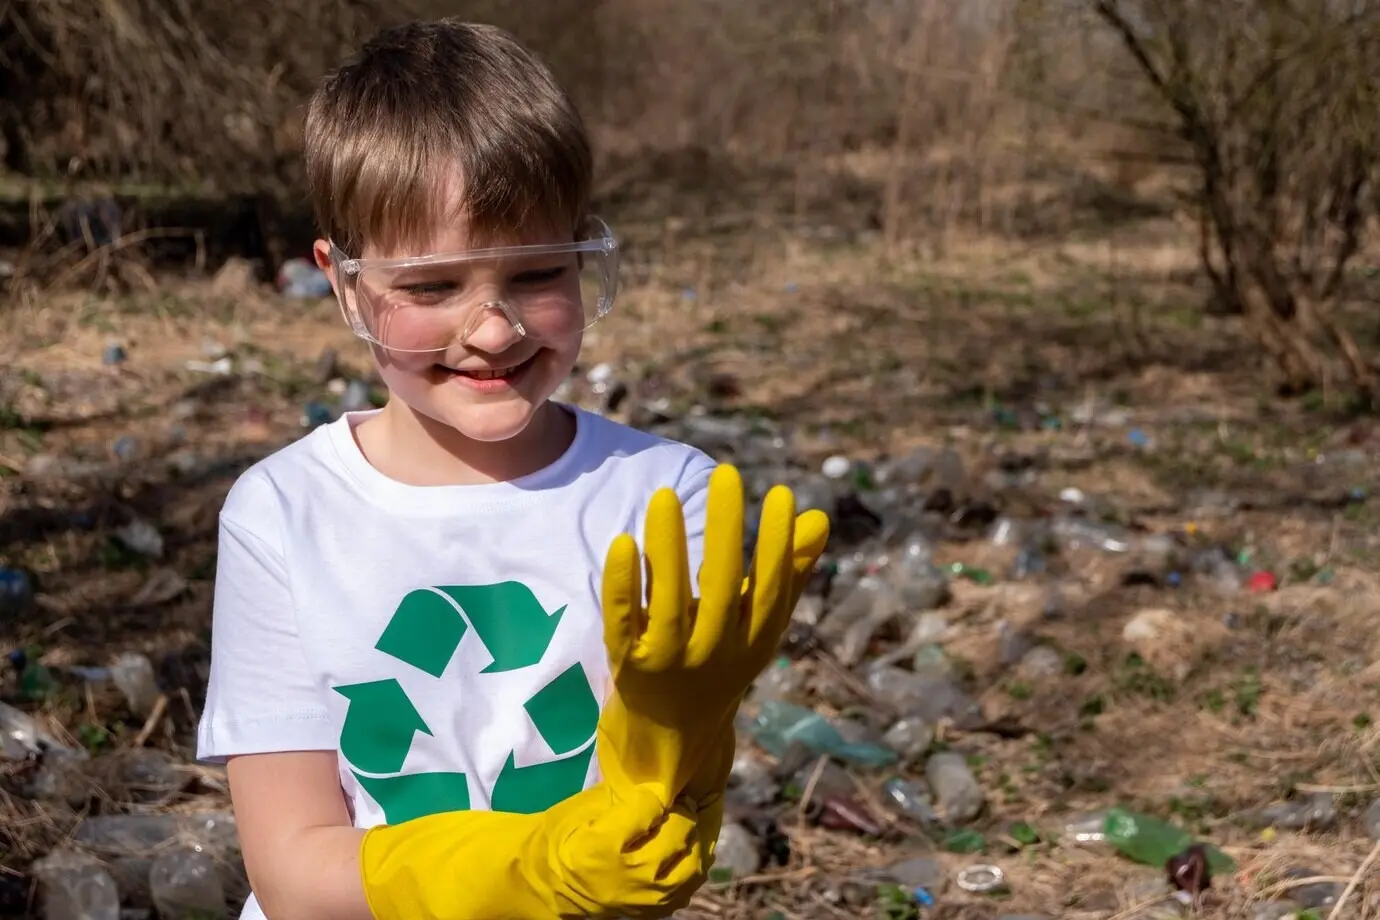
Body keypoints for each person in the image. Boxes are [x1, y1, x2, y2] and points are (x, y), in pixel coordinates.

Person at [195, 17, 829, 920]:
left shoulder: (663, 495)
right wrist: (528, 869)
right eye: (430, 287)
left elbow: (643, 849)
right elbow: (293, 874)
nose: (494, 331)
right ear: (341, 283)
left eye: (538, 273)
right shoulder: (282, 513)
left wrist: (669, 759)